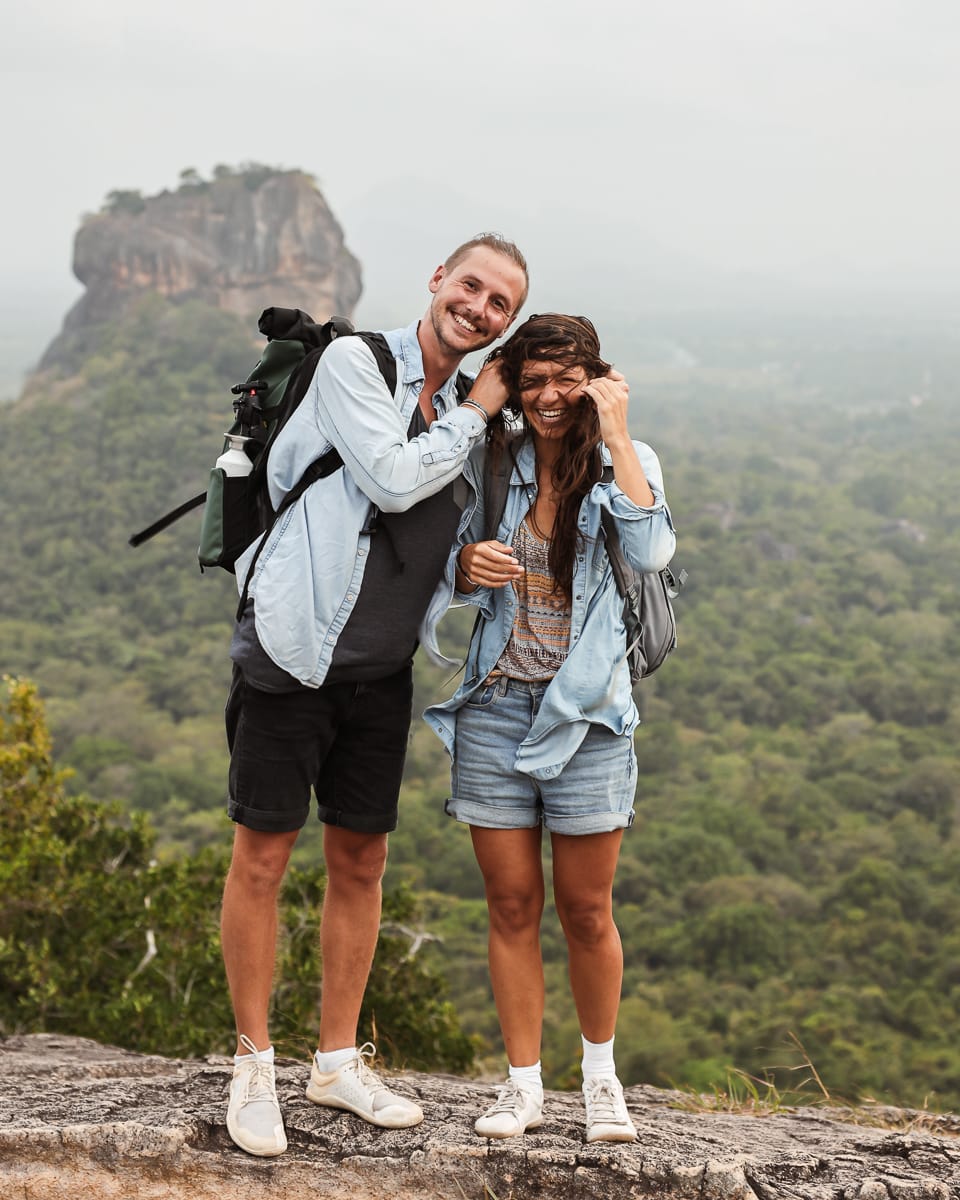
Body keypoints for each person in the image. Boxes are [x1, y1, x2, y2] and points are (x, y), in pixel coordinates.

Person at [221, 234, 529, 1156]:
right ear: (438, 279)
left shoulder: (462, 416)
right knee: (264, 860)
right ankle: (253, 1066)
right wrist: (477, 409)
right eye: (470, 286)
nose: (478, 308)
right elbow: (394, 481)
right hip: (292, 651)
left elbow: (438, 534)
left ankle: (335, 1060)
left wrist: (470, 570)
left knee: (361, 864)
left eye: (499, 305)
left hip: (381, 666)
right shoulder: (360, 364)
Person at [424, 313, 676, 1143]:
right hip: (497, 706)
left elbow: (650, 550)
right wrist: (467, 567)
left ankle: (601, 1080)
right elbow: (451, 567)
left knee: (586, 911)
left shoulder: (619, 462)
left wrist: (619, 431)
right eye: (531, 381)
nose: (547, 396)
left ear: (595, 379)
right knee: (509, 903)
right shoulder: (491, 463)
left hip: (589, 718)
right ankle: (522, 1085)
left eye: (565, 378)